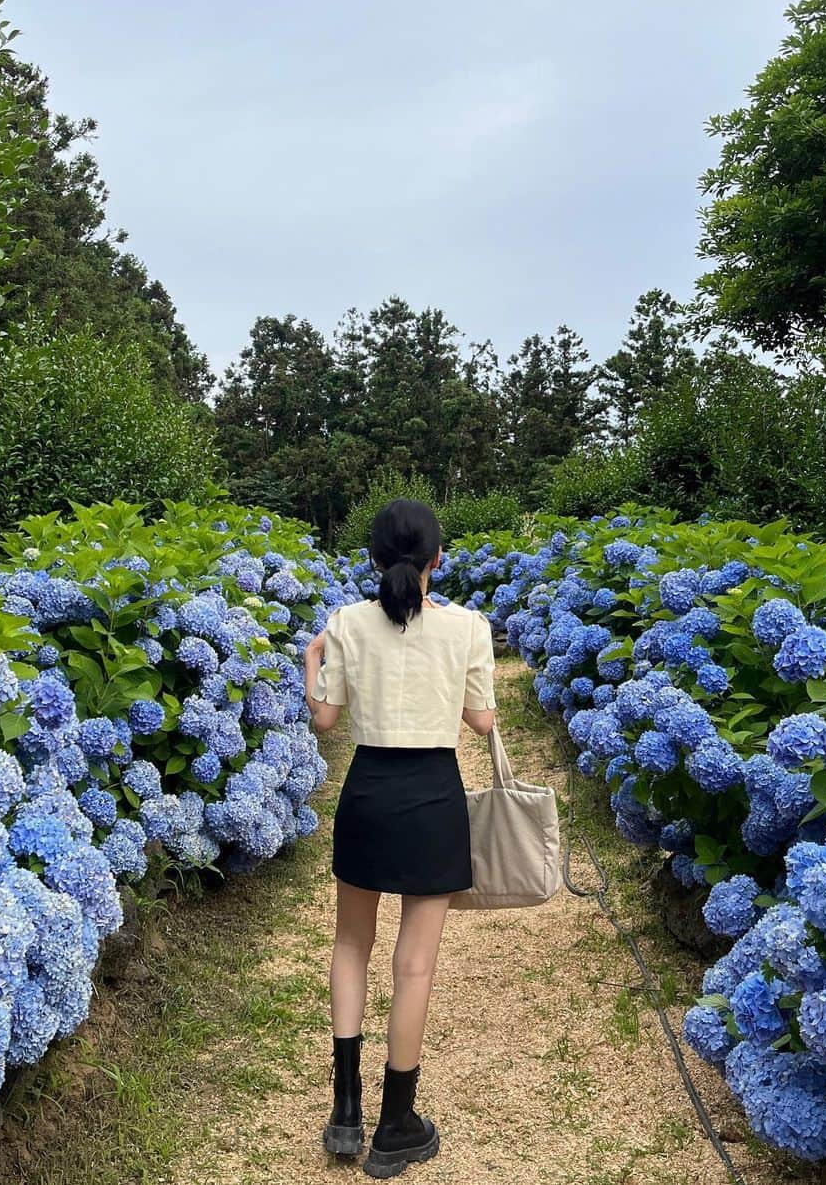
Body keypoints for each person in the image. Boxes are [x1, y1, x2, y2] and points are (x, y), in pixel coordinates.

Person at [303, 497, 497, 1179]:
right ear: (437, 560)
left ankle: (345, 1112)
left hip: (368, 792)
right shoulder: (470, 627)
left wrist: (311, 661)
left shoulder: (346, 624)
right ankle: (396, 1126)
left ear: (374, 559)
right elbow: (481, 722)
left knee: (350, 944)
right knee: (413, 965)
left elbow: (325, 720)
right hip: (434, 796)